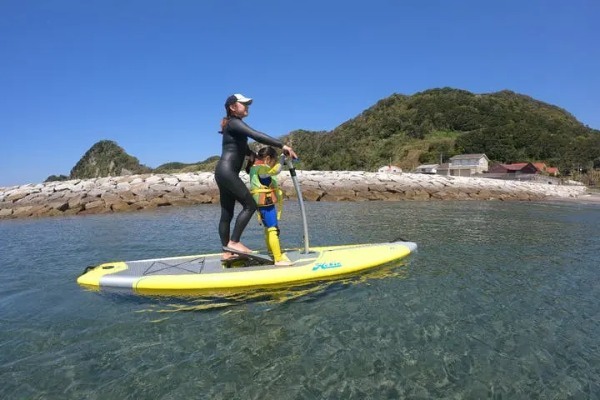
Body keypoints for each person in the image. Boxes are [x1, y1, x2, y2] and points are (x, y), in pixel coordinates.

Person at [215, 93, 297, 261]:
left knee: (227, 214)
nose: (247, 106)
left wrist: (253, 155)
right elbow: (256, 135)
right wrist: (283, 145)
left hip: (222, 172)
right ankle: (234, 242)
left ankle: (226, 252)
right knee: (250, 205)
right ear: (232, 107)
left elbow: (240, 147)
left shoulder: (232, 126)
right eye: (243, 104)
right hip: (227, 172)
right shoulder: (235, 123)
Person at [247, 146, 292, 266]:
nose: (273, 164)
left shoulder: (253, 169)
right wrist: (282, 158)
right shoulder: (262, 169)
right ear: (267, 159)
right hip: (266, 204)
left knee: (268, 229)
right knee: (273, 229)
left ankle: (272, 252)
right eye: (273, 161)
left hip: (261, 205)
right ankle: (278, 259)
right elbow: (276, 171)